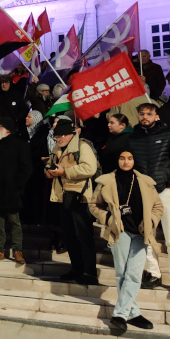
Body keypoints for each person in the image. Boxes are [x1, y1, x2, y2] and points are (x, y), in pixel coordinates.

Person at [90, 148, 163, 331]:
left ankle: (120, 315)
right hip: (119, 232)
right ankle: (133, 313)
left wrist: (151, 221)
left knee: (134, 274)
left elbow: (158, 207)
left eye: (129, 158)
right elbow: (94, 204)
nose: (125, 162)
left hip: (141, 234)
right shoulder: (107, 181)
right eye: (122, 158)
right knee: (122, 274)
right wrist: (107, 219)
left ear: (134, 161)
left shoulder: (145, 182)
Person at [129, 103, 170, 292]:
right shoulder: (133, 137)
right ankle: (154, 273)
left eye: (149, 113)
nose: (145, 116)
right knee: (148, 236)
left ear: (157, 116)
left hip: (165, 191)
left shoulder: (169, 135)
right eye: (142, 113)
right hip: (144, 193)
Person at [46, 120, 100, 285]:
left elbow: (90, 168)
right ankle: (76, 268)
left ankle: (90, 272)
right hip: (63, 195)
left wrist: (65, 172)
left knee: (83, 236)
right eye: (56, 137)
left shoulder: (82, 147)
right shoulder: (58, 148)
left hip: (79, 196)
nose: (58, 139)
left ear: (70, 135)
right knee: (69, 236)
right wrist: (48, 171)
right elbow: (51, 163)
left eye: (61, 136)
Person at [0, 117, 32, 264]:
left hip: (12, 191)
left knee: (14, 222)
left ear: (8, 128)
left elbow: (26, 168)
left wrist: (17, 184)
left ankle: (17, 250)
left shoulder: (19, 145)